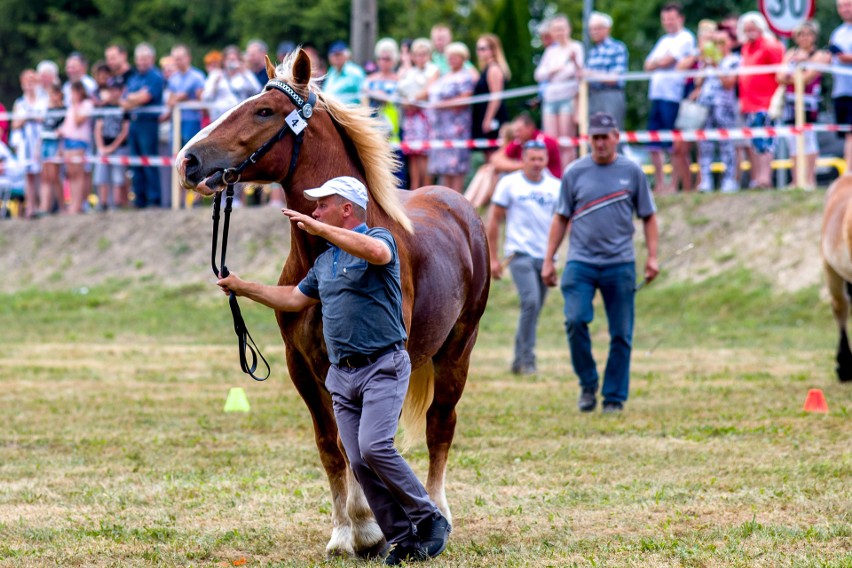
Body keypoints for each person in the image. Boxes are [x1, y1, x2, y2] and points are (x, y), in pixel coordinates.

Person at [215, 176, 451, 565]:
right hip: (343, 376)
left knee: (375, 447)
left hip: (381, 367)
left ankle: (429, 520)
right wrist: (243, 287)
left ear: (346, 210)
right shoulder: (325, 262)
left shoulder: (381, 238)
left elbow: (376, 253)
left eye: (323, 205)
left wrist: (321, 229)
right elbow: (292, 297)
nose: (314, 211)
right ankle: (402, 537)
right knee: (356, 457)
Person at [542, 112, 659, 414]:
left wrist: (652, 257)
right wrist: (549, 259)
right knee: (575, 320)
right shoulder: (575, 172)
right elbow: (560, 217)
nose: (600, 143)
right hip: (580, 261)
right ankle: (588, 382)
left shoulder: (632, 172)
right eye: (595, 137)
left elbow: (648, 216)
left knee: (621, 333)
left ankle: (614, 398)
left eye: (605, 136)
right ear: (588, 139)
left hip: (620, 263)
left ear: (616, 137)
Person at [486, 140, 560, 375]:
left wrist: (555, 256)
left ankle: (518, 360)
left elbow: (562, 222)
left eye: (541, 159)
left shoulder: (556, 186)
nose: (537, 163)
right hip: (519, 254)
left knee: (534, 309)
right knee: (530, 302)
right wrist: (493, 258)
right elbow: (494, 220)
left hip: (546, 256)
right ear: (523, 160)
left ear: (546, 160)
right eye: (532, 159)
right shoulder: (510, 184)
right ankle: (528, 360)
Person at [643, 2, 696, 193]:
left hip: (673, 96)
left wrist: (660, 62)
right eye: (665, 19)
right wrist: (661, 62)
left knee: (674, 144)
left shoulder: (686, 38)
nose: (668, 22)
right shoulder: (664, 41)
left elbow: (666, 61)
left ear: (680, 18)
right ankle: (660, 184)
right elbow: (648, 64)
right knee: (654, 143)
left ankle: (674, 184)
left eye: (672, 18)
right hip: (657, 95)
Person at [776, 21, 830, 190]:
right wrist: (795, 75)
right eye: (801, 34)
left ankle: (809, 178)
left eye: (808, 34)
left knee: (808, 139)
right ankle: (796, 179)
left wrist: (795, 72)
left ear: (814, 36)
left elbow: (808, 77)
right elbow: (779, 76)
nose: (804, 38)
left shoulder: (821, 54)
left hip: (808, 103)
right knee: (793, 139)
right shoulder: (791, 53)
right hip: (791, 102)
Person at [737, 11, 784, 189]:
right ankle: (757, 178)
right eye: (747, 28)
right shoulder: (746, 48)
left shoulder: (770, 45)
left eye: (753, 27)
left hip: (766, 102)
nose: (750, 31)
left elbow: (780, 71)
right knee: (755, 142)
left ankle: (765, 178)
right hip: (750, 103)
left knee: (766, 142)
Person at [693, 28, 741, 193]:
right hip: (706, 106)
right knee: (704, 145)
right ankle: (705, 180)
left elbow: (729, 84)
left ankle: (729, 180)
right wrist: (705, 65)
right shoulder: (707, 60)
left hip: (724, 107)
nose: (718, 46)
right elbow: (697, 82)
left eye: (721, 42)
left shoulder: (734, 60)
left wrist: (717, 65)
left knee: (726, 145)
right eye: (715, 43)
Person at [534, 15, 584, 166]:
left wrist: (552, 72)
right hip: (550, 99)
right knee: (551, 143)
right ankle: (555, 178)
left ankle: (567, 177)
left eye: (561, 29)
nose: (559, 32)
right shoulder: (550, 51)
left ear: (568, 29)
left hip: (567, 98)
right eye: (555, 29)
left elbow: (576, 72)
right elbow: (538, 75)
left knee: (566, 142)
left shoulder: (576, 47)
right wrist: (557, 69)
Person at [428, 42, 476, 193]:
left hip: (457, 128)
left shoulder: (465, 77)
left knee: (456, 167)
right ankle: (445, 201)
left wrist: (442, 105)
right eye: (449, 57)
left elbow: (464, 99)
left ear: (463, 58)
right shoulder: (444, 75)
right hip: (441, 128)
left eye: (455, 57)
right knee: (445, 168)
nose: (452, 60)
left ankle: (457, 201)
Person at [121, 42, 164, 209]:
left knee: (149, 161)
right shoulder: (134, 78)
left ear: (152, 59)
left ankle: (154, 198)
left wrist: (133, 98)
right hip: (134, 122)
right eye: (139, 59)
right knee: (135, 162)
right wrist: (135, 98)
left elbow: (145, 98)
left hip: (148, 123)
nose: (142, 62)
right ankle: (139, 198)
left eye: (145, 58)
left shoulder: (155, 77)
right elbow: (124, 101)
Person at [398, 38, 439, 189]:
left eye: (423, 54)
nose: (420, 57)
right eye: (417, 54)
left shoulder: (434, 70)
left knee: (424, 155)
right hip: (411, 117)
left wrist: (412, 101)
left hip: (426, 118)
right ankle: (415, 189)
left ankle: (426, 190)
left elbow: (429, 90)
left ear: (429, 55)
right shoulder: (410, 72)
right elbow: (401, 91)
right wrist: (408, 103)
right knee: (413, 155)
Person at [585, 11, 629, 130]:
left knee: (611, 131)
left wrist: (591, 74)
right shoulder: (592, 52)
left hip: (611, 95)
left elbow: (615, 78)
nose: (594, 32)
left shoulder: (617, 48)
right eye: (591, 29)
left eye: (597, 28)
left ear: (607, 29)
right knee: (594, 132)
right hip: (593, 96)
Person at [11, 69, 46, 218]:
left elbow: (44, 119)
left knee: (42, 174)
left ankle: (41, 205)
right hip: (26, 143)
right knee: (29, 176)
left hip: (40, 140)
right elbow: (15, 124)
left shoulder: (43, 100)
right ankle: (30, 206)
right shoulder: (19, 102)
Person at [490, 112, 562, 179]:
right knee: (489, 170)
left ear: (530, 128)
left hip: (547, 182)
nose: (516, 134)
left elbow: (531, 166)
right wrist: (521, 165)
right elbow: (496, 159)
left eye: (519, 130)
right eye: (515, 131)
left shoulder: (543, 142)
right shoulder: (519, 141)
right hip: (530, 180)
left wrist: (512, 165)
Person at [94, 79, 130, 210]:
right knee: (101, 176)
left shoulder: (124, 108)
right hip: (104, 146)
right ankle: (102, 203)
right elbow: (98, 128)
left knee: (118, 177)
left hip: (119, 147)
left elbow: (125, 131)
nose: (113, 93)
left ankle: (117, 203)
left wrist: (113, 147)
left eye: (116, 90)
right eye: (111, 90)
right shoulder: (103, 107)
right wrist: (101, 147)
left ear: (121, 92)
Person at [59, 81, 94, 214]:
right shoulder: (71, 106)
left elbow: (79, 121)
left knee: (79, 174)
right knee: (71, 175)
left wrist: (74, 105)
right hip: (68, 141)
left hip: (79, 141)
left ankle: (79, 204)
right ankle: (73, 202)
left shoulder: (86, 104)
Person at [201, 45, 261, 122]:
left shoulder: (246, 74)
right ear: (223, 61)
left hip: (240, 118)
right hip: (219, 119)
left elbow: (257, 91)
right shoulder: (215, 75)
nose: (231, 63)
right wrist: (215, 84)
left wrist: (245, 73)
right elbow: (205, 97)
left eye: (234, 60)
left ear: (239, 61)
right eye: (229, 60)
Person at [472, 34, 510, 153]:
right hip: (484, 115)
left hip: (493, 117)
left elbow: (496, 96)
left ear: (493, 50)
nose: (479, 52)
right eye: (478, 49)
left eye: (483, 48)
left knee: (493, 153)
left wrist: (488, 119)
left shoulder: (494, 69)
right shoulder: (486, 68)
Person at [166, 44, 206, 147]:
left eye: (179, 59)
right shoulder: (173, 78)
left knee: (189, 150)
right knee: (175, 150)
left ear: (188, 58)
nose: (177, 62)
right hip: (175, 120)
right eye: (175, 59)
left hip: (192, 120)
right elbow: (170, 101)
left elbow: (201, 101)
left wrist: (181, 98)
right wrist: (182, 97)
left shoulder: (198, 77)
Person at [831, 0, 852, 175]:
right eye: (842, 6)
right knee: (847, 133)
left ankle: (849, 172)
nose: (845, 9)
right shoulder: (837, 33)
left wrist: (847, 58)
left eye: (848, 4)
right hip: (842, 90)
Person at [39, 84, 65, 214]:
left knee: (55, 176)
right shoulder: (48, 110)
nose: (52, 97)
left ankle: (61, 206)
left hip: (55, 143)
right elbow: (43, 129)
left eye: (54, 94)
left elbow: (63, 131)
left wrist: (60, 148)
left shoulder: (63, 110)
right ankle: (45, 206)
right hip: (46, 142)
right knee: (46, 176)